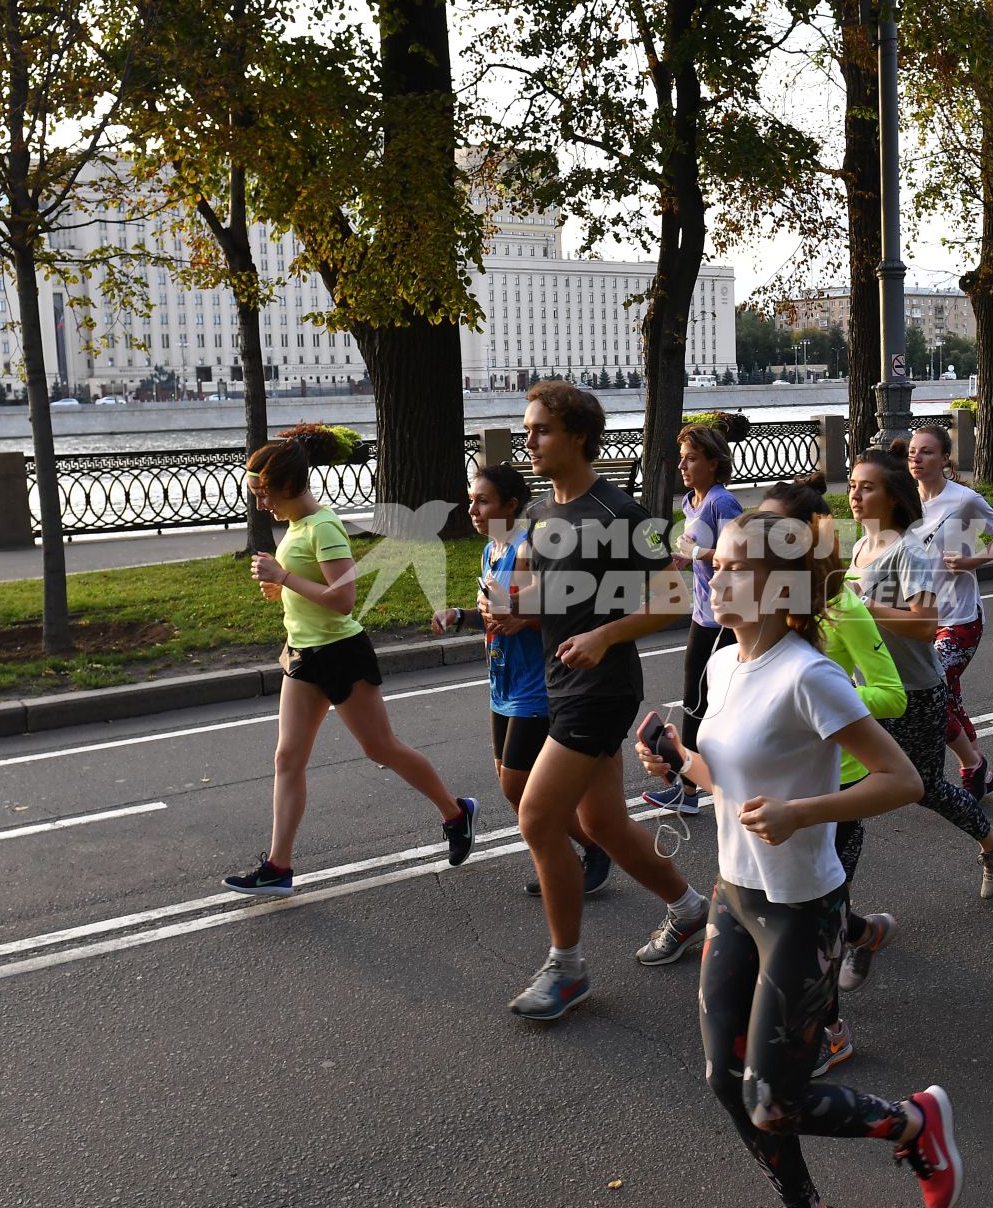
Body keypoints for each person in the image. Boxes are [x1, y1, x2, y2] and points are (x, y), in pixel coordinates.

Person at [634, 510, 965, 1208]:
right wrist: (676, 762)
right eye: (713, 563)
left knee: (771, 1101)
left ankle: (913, 1123)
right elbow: (730, 779)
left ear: (777, 585)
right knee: (726, 1082)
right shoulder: (725, 663)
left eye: (730, 567)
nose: (711, 575)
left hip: (802, 911)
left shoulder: (809, 675)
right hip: (734, 896)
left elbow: (902, 778)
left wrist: (801, 813)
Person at [496, 382, 710, 1021]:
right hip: (562, 685)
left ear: (578, 436)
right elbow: (548, 602)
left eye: (540, 431)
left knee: (536, 817)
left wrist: (604, 634)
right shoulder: (541, 515)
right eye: (528, 429)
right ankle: (691, 908)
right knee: (601, 825)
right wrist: (512, 611)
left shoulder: (621, 514)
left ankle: (567, 967)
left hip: (604, 687)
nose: (528, 441)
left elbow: (674, 598)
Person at [224, 439, 476, 896]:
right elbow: (310, 588)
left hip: (341, 653)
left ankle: (456, 813)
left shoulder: (325, 528)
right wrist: (283, 589)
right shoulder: (296, 526)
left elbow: (344, 600)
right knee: (287, 758)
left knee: (381, 749)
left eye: (264, 493)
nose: (260, 504)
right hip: (302, 654)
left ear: (288, 484)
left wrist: (284, 578)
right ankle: (278, 868)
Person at [758, 477, 906, 1078]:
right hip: (783, 782)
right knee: (802, 910)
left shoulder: (840, 604)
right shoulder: (755, 609)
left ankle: (831, 1032)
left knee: (808, 923)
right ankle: (864, 930)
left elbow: (892, 695)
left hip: (839, 786)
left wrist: (837, 700)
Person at [848, 446, 993, 900]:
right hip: (871, 690)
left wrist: (864, 608)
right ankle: (832, 909)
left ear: (892, 496)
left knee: (925, 788)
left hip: (916, 692)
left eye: (867, 487)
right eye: (851, 486)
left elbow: (925, 625)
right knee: (845, 789)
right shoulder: (862, 546)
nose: (855, 495)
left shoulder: (910, 551)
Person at [432, 463, 611, 898]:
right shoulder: (490, 551)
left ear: (511, 506)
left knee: (518, 786)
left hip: (537, 682)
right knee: (512, 784)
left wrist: (519, 619)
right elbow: (500, 613)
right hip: (503, 679)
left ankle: (592, 851)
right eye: (472, 500)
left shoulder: (527, 547)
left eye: (483, 501)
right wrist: (463, 616)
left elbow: (549, 611)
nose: (473, 509)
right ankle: (574, 856)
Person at [906, 424, 993, 800]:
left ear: (944, 459)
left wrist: (975, 560)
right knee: (946, 697)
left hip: (959, 619)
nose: (916, 458)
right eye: (912, 451)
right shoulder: (904, 502)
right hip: (921, 618)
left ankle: (971, 766)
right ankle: (979, 769)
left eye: (925, 452)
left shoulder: (963, 500)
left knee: (930, 688)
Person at [643, 423, 744, 814]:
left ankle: (691, 789)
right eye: (682, 458)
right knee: (696, 700)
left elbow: (739, 554)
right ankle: (692, 786)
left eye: (692, 458)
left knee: (703, 701)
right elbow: (699, 552)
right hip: (703, 613)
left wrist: (699, 553)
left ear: (714, 463)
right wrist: (677, 558)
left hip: (726, 619)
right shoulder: (691, 502)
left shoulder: (723, 503)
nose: (683, 465)